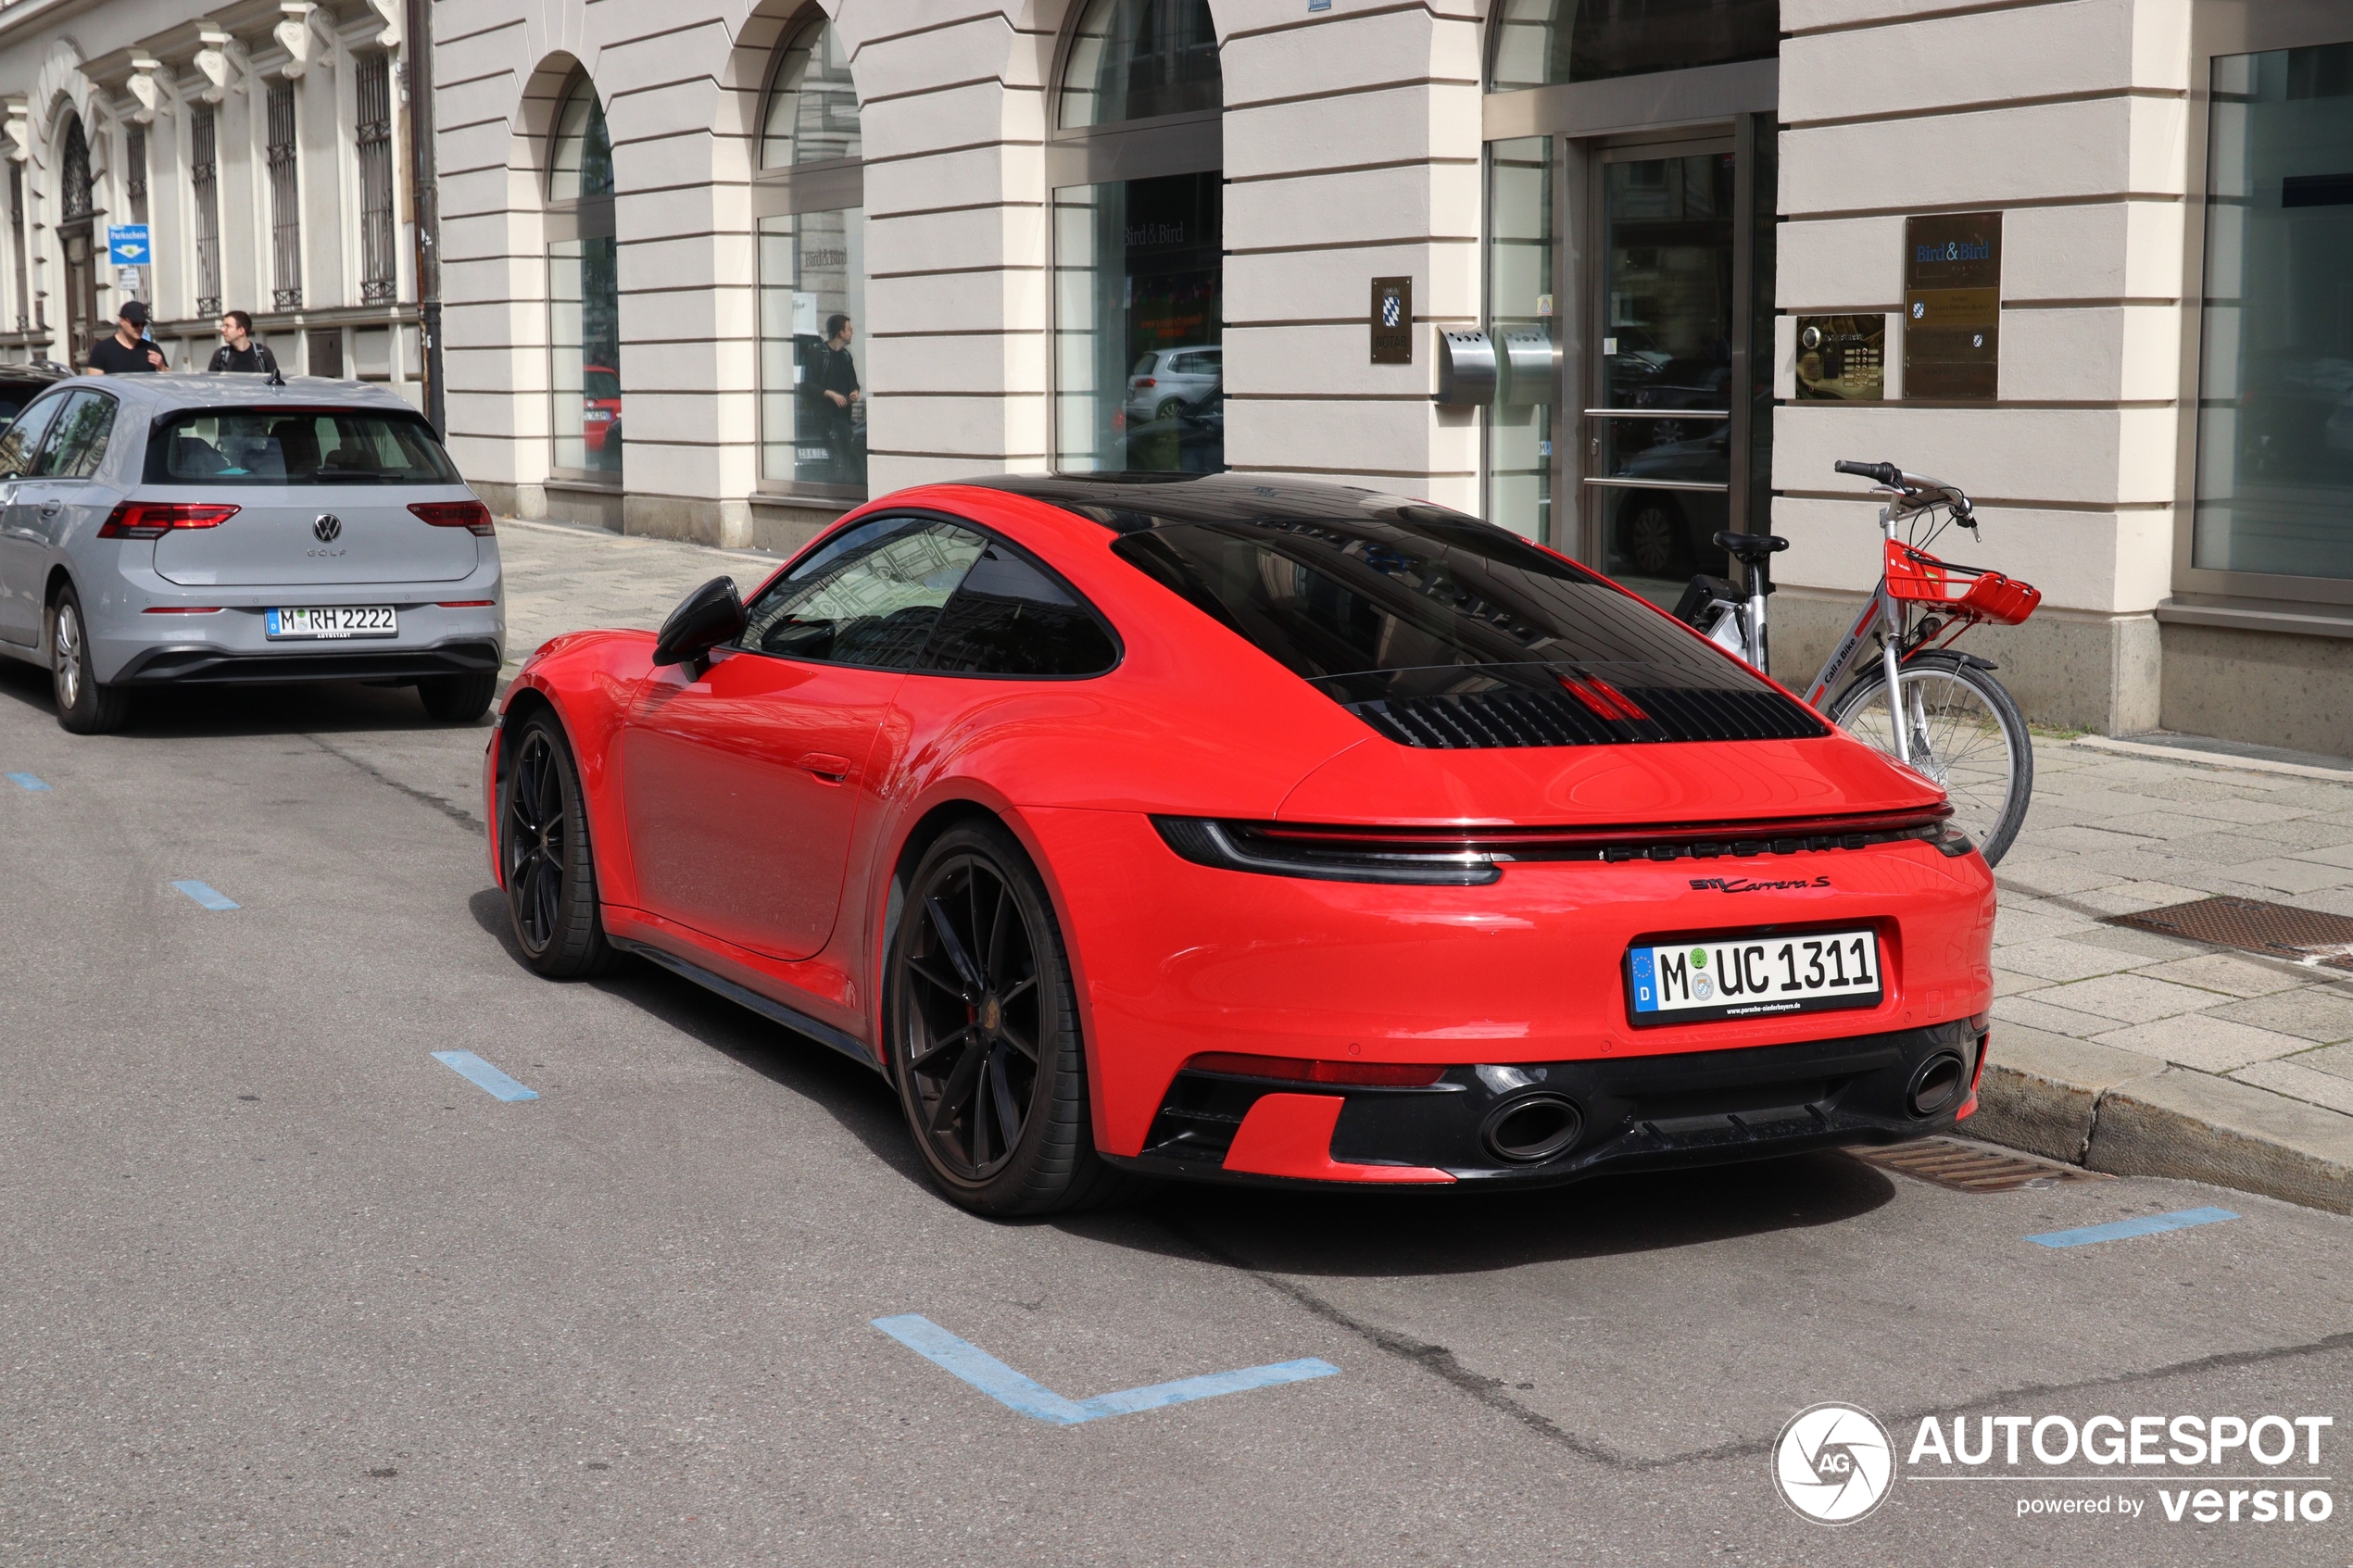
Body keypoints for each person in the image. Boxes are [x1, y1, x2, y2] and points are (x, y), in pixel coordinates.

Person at [817, 314, 863, 485]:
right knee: (836, 462)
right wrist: (830, 394)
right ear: (840, 333)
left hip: (844, 419)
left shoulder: (846, 357)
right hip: (826, 420)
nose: (852, 332)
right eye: (849, 329)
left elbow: (854, 383)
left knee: (844, 461)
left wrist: (854, 392)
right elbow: (808, 386)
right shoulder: (819, 354)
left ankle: (841, 490)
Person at [85, 300, 166, 374]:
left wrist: (161, 367)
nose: (140, 327)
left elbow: (169, 380)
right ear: (122, 321)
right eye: (135, 323)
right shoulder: (102, 350)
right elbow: (95, 384)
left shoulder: (152, 349)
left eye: (143, 324)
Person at [208, 310, 280, 375]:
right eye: (223, 326)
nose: (222, 330)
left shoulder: (262, 353)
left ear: (241, 331)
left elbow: (274, 383)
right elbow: (211, 383)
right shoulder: (221, 355)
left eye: (227, 326)